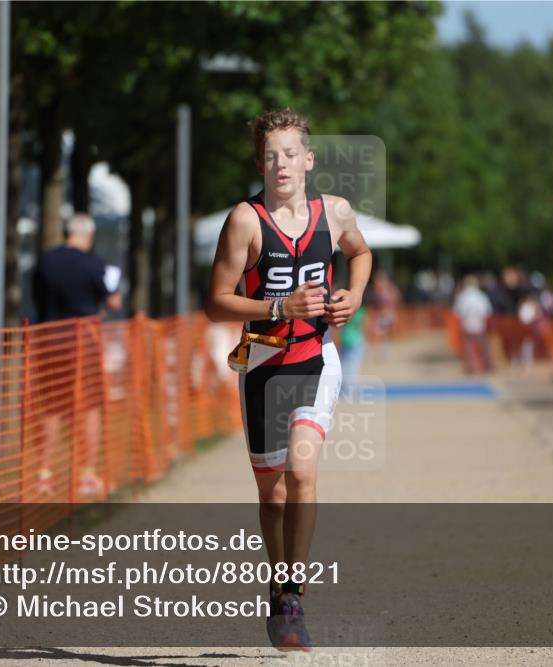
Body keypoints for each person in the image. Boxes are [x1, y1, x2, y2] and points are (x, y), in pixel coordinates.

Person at [205, 108, 372, 651]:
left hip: (316, 357)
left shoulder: (335, 212)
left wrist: (354, 295)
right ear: (260, 163)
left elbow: (361, 252)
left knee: (301, 471)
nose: (281, 164)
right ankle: (278, 588)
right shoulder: (245, 220)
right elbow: (216, 303)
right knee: (272, 494)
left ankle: (294, 593)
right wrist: (279, 306)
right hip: (262, 365)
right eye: (271, 156)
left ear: (309, 159)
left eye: (291, 154)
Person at [33, 213, 122, 497]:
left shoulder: (45, 260)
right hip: (83, 341)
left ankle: (44, 474)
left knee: (52, 407)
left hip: (49, 341)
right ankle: (87, 474)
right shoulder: (93, 263)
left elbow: (37, 297)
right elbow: (114, 302)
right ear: (89, 235)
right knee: (90, 407)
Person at [453, 275, 492, 373]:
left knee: (469, 346)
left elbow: (457, 311)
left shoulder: (463, 296)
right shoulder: (480, 295)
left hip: (467, 322)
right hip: (479, 323)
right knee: (482, 345)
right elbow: (487, 310)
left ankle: (471, 366)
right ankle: (486, 365)